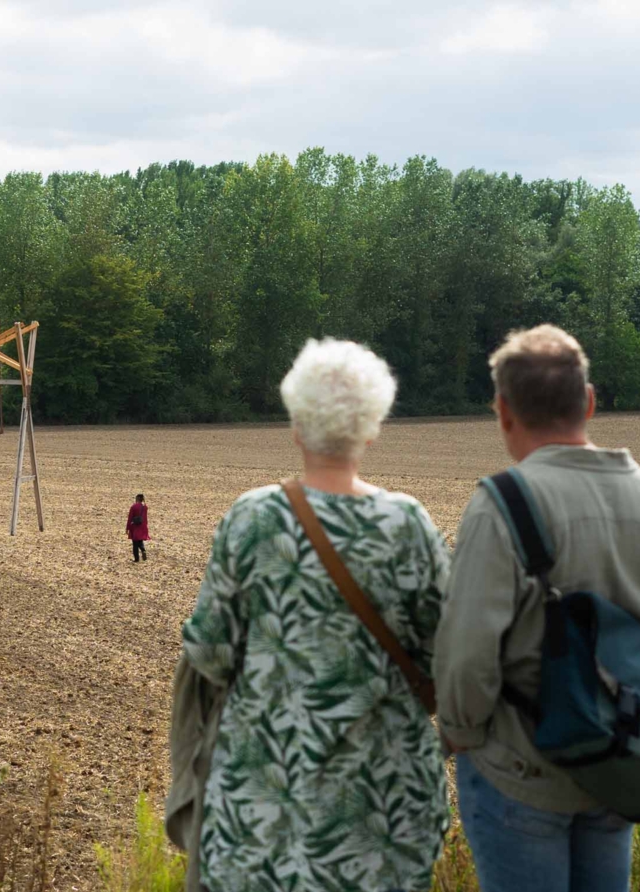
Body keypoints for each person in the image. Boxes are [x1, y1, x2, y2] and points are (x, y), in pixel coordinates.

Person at [174, 338, 450, 892]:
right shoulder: (408, 525)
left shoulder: (253, 518)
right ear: (372, 429)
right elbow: (447, 659)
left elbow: (210, 653)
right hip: (384, 812)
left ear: (297, 427)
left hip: (263, 813)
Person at [434, 325, 640, 892]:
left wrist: (458, 733)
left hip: (519, 773)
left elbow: (467, 655)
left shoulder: (501, 505)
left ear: (504, 411)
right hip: (616, 771)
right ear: (590, 401)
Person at [127, 493, 149, 562]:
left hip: (135, 526)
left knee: (135, 543)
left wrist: (127, 528)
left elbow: (130, 518)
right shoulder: (145, 507)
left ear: (137, 499)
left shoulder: (134, 507)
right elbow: (145, 518)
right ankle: (143, 550)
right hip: (143, 526)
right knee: (140, 541)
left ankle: (136, 559)